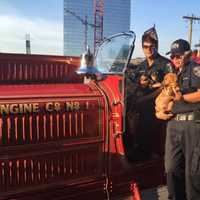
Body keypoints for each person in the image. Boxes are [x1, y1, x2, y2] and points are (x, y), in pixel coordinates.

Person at [125, 26, 172, 160]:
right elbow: (132, 83)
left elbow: (170, 86)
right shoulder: (141, 65)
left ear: (156, 46)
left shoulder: (165, 64)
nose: (148, 49)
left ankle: (145, 152)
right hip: (142, 103)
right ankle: (131, 146)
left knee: (143, 106)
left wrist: (152, 85)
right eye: (145, 46)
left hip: (158, 105)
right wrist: (139, 84)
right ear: (142, 47)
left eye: (152, 46)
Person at [164, 39, 200, 200]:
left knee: (192, 173)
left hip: (191, 124)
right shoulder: (173, 73)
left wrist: (182, 98)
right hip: (173, 125)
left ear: (188, 54)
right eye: (172, 56)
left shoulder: (195, 69)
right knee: (171, 169)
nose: (175, 59)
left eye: (178, 55)